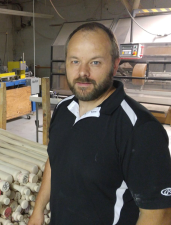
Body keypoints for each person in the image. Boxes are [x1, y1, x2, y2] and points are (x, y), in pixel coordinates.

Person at [28, 22, 171, 225]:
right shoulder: (63, 110)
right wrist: (38, 209)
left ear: (115, 64)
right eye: (75, 61)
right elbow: (54, 161)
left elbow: (159, 214)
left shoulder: (140, 129)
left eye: (95, 62)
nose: (83, 72)